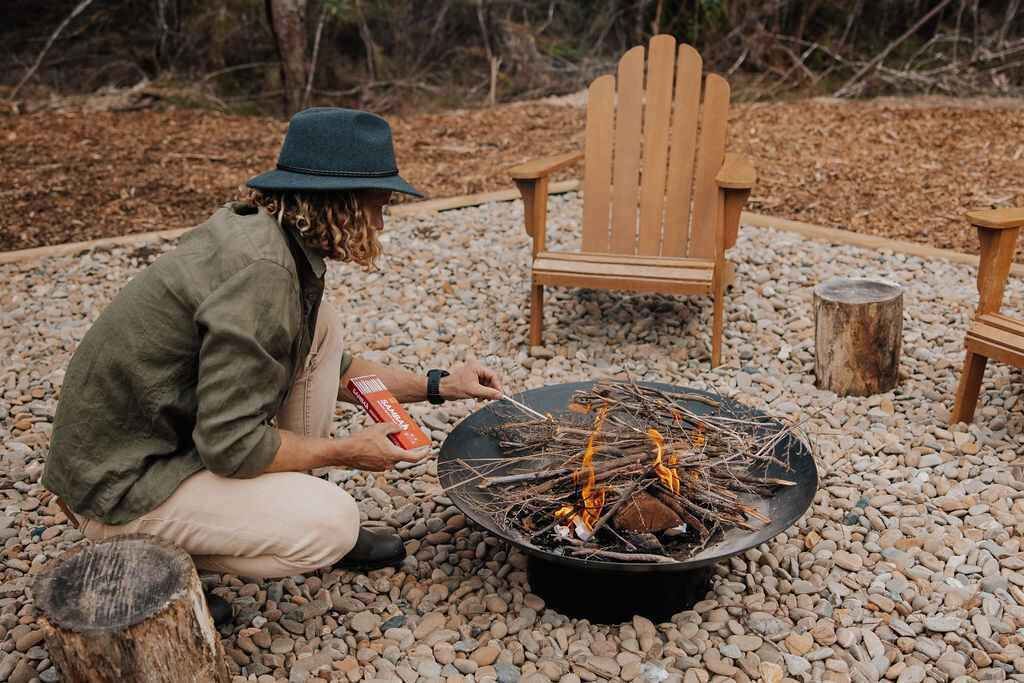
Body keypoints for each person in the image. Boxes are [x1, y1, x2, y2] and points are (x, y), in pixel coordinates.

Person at [43, 108, 503, 622]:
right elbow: (229, 445)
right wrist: (349, 451)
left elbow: (336, 365)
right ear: (340, 206)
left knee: (323, 326)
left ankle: (266, 505)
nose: (380, 222)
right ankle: (145, 560)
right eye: (378, 206)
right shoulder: (263, 276)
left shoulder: (270, 237)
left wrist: (441, 385)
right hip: (120, 484)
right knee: (332, 524)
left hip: (159, 445)